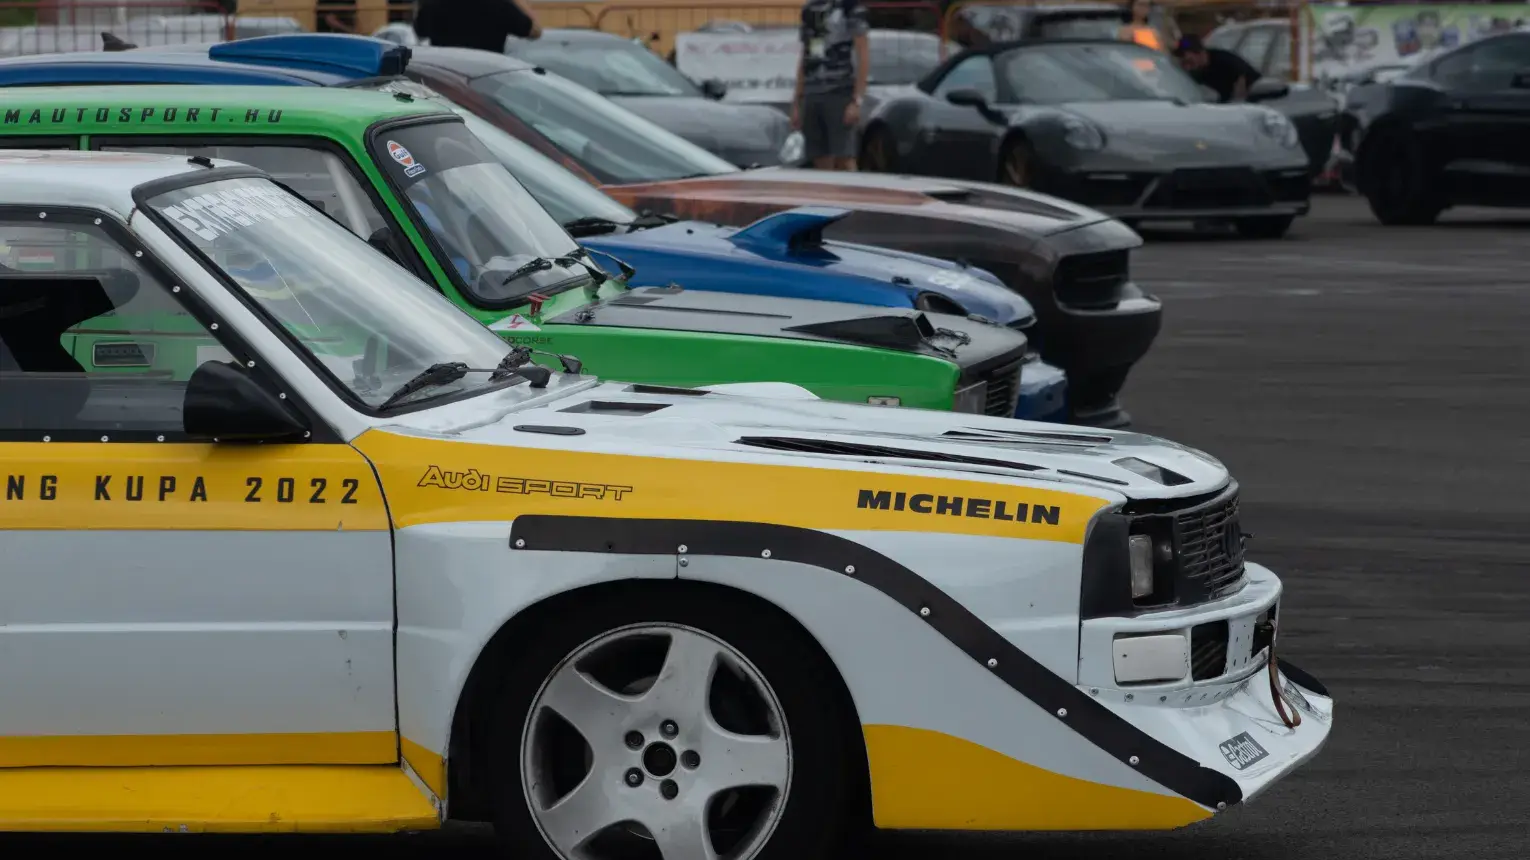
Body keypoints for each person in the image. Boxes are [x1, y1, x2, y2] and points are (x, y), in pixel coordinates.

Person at [791, 0, 870, 171]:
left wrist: (857, 100)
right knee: (819, 157)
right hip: (813, 92)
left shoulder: (850, 7)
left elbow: (862, 55)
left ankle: (851, 188)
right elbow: (807, 55)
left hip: (840, 91)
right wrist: (797, 100)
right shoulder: (811, 8)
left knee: (844, 157)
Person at [412, 0, 541, 52]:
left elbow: (420, 32)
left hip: (446, 81)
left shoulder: (433, 5)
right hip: (486, 81)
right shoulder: (500, 5)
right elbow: (535, 31)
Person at [1173, 34, 1260, 103]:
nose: (1187, 66)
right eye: (1183, 62)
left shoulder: (1225, 61)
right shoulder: (1195, 73)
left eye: (1189, 61)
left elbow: (1242, 82)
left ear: (1200, 53)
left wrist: (1236, 104)